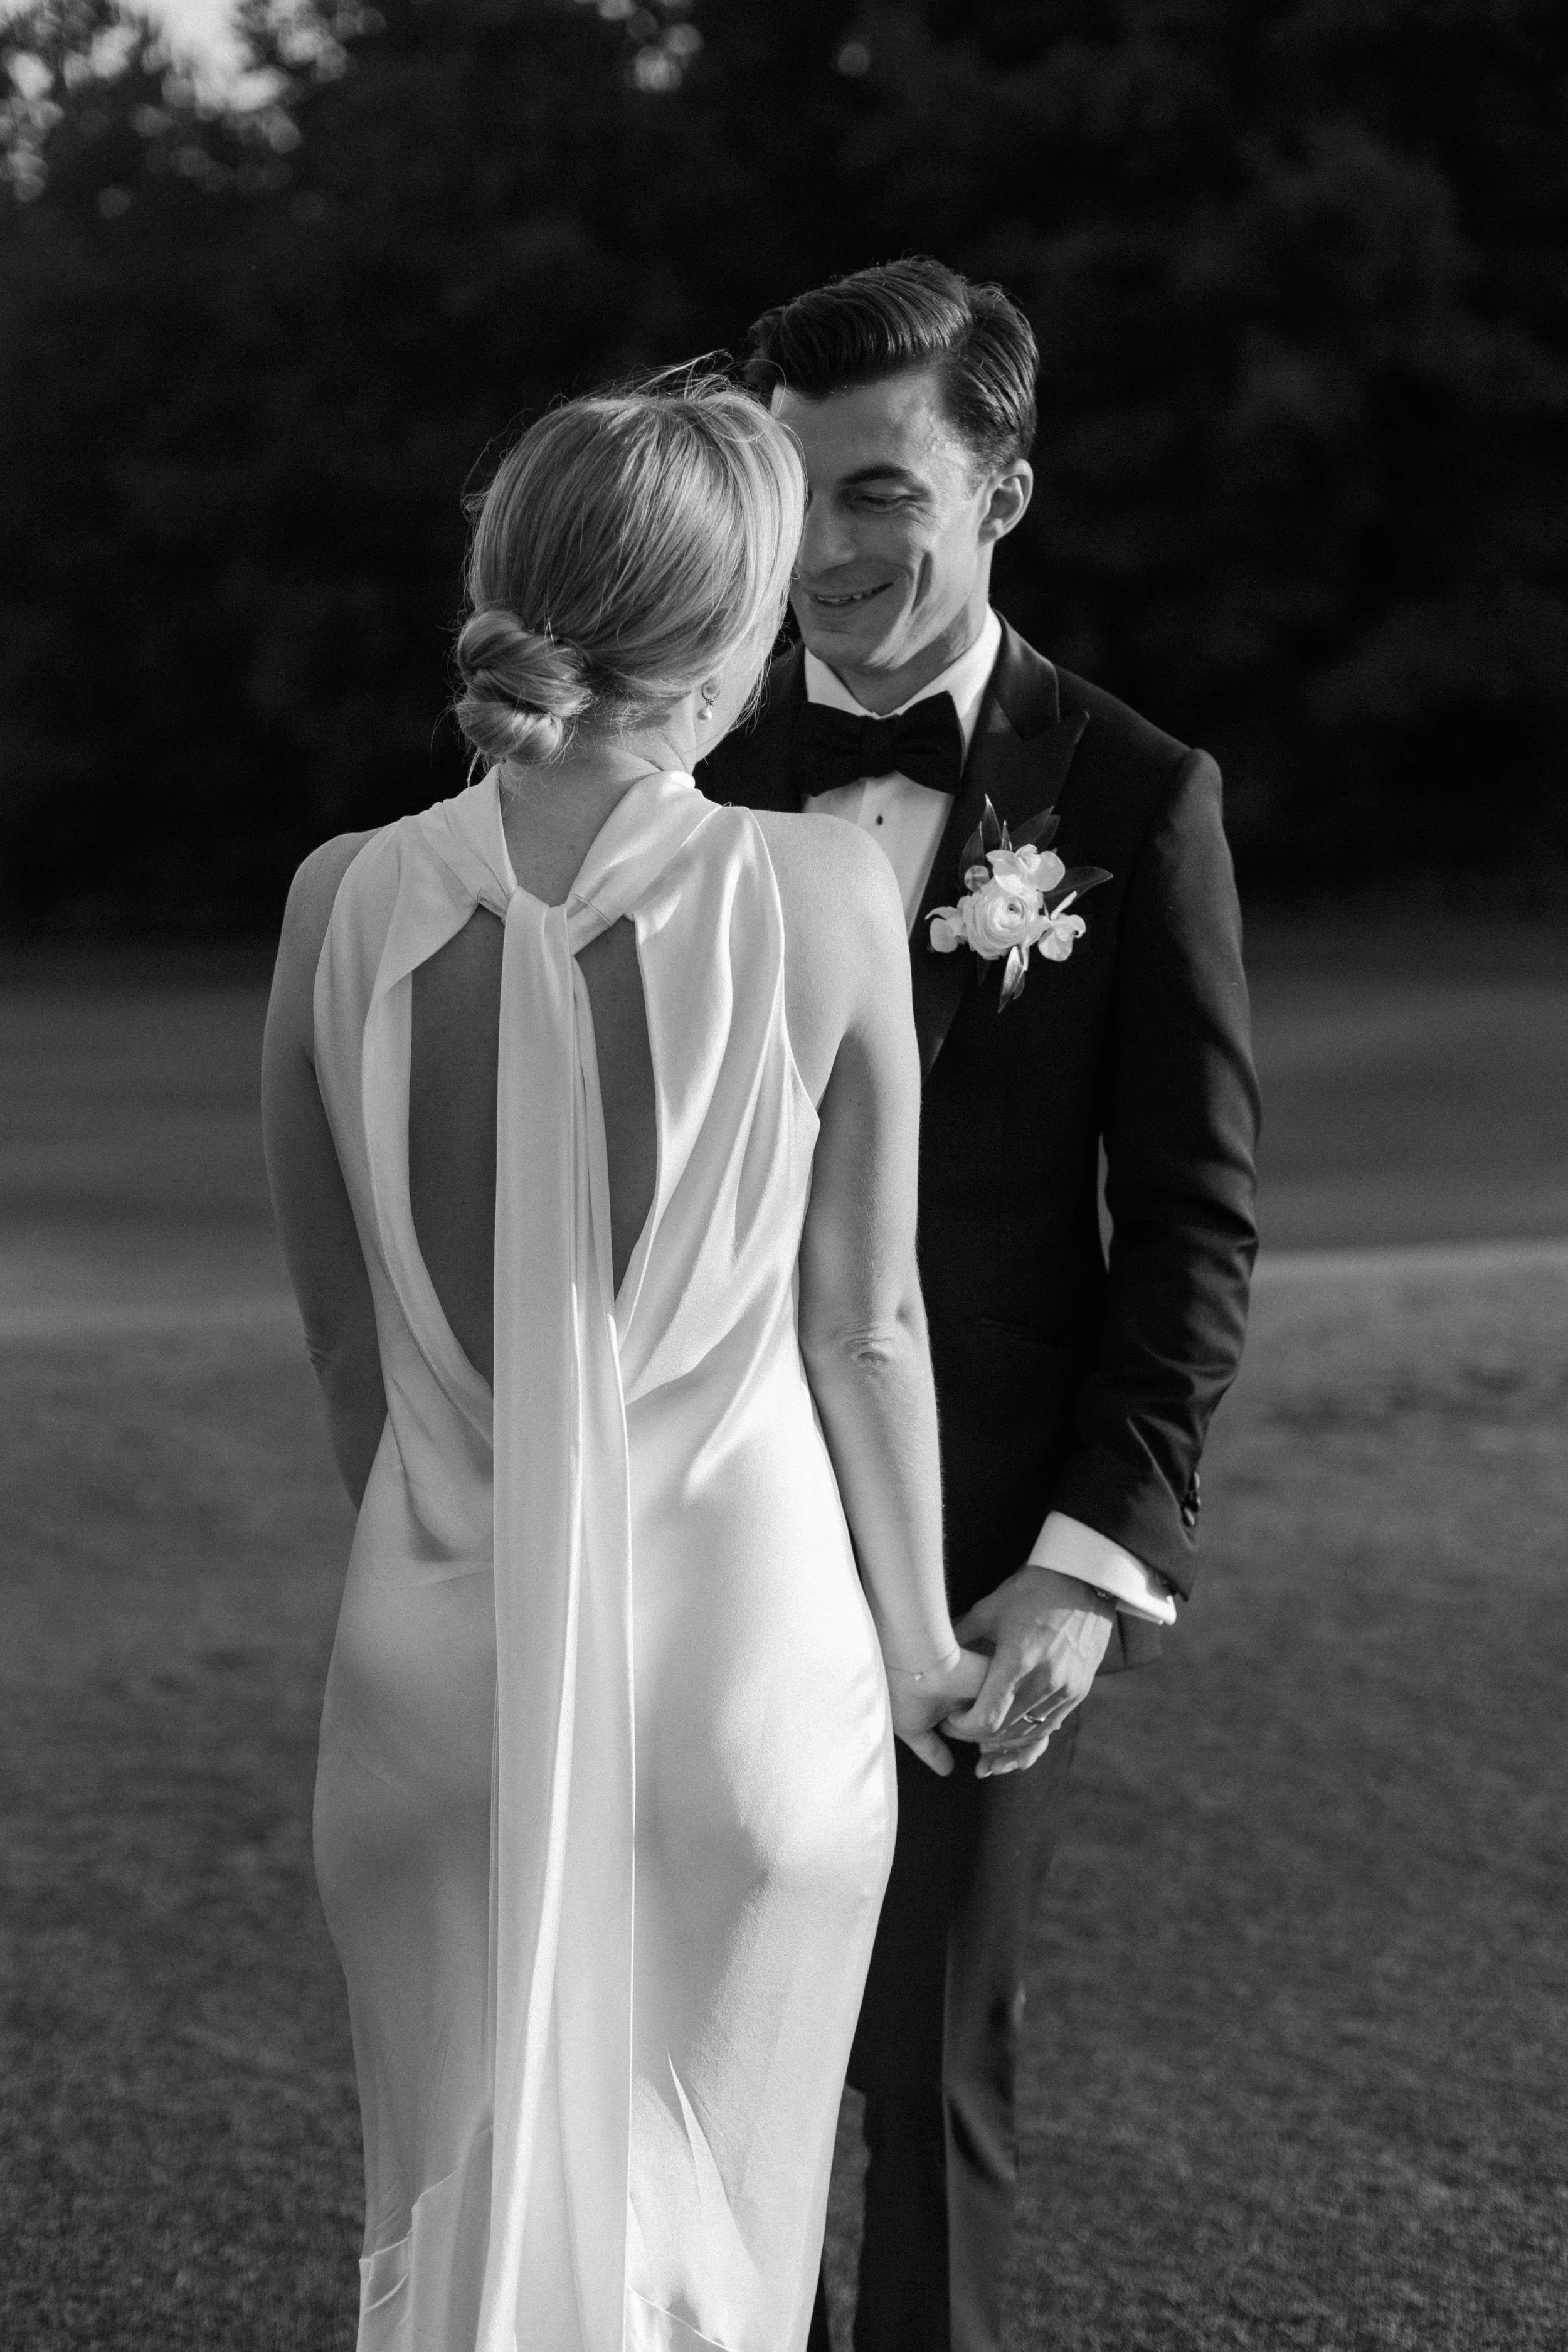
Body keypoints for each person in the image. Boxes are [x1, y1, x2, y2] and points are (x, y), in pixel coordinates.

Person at [260, 374, 985, 2352]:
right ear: (736, 636)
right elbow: (865, 1322)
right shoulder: (823, 888)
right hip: (741, 1685)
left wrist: (478, 1578)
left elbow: (344, 1335)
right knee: (717, 2269)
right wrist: (925, 1645)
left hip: (433, 1679)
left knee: (443, 2241)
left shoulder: (336, 901)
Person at [696, 260, 1261, 2352]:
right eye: (793, 493)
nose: (825, 551)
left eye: (881, 491)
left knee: (925, 2076)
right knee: (690, 2058)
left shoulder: (1132, 796)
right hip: (695, 1523)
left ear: (1001, 490)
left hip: (983, 1543)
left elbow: (1190, 1218)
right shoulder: (681, 765)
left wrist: (1088, 1563)